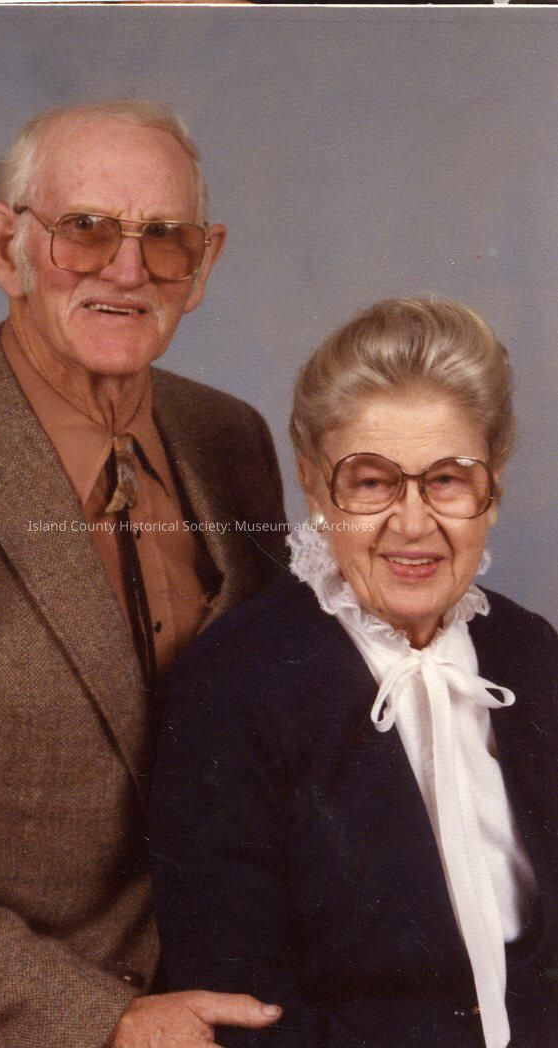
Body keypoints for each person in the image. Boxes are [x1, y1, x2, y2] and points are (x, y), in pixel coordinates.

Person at [0, 100, 288, 1046]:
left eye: (163, 237)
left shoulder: (231, 439)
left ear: (203, 263)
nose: (126, 270)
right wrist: (108, 1020)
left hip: (224, 1011)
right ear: (4, 244)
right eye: (84, 229)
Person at [150, 298, 558, 1047]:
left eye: (447, 480)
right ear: (314, 488)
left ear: (492, 487)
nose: (413, 522)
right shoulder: (234, 684)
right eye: (371, 483)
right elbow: (243, 1007)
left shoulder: (529, 651)